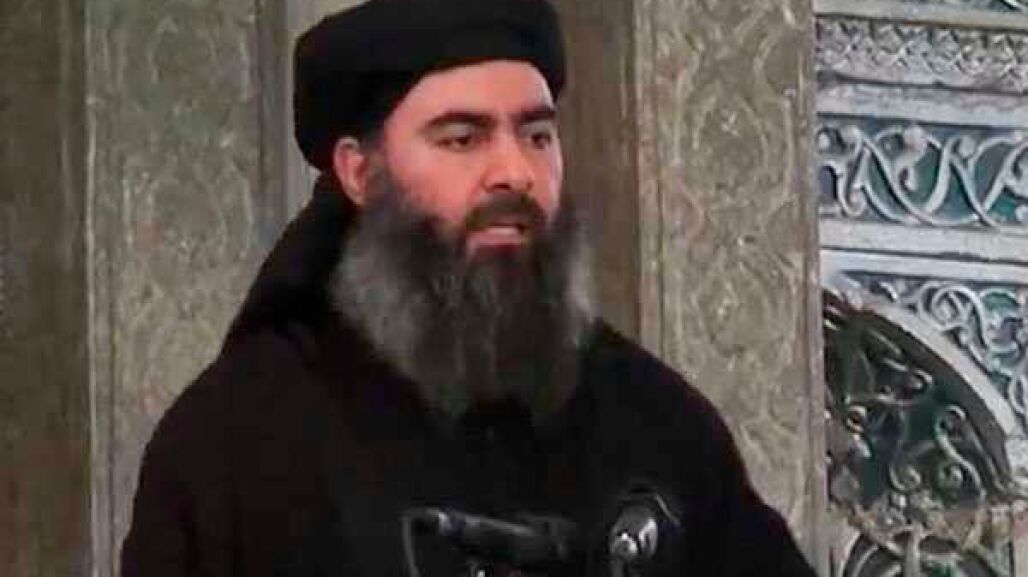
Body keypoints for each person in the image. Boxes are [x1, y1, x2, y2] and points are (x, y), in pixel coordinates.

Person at [120, 0, 817, 575]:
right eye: (463, 138)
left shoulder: (660, 427)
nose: (514, 172)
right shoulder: (235, 444)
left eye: (537, 136)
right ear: (360, 172)